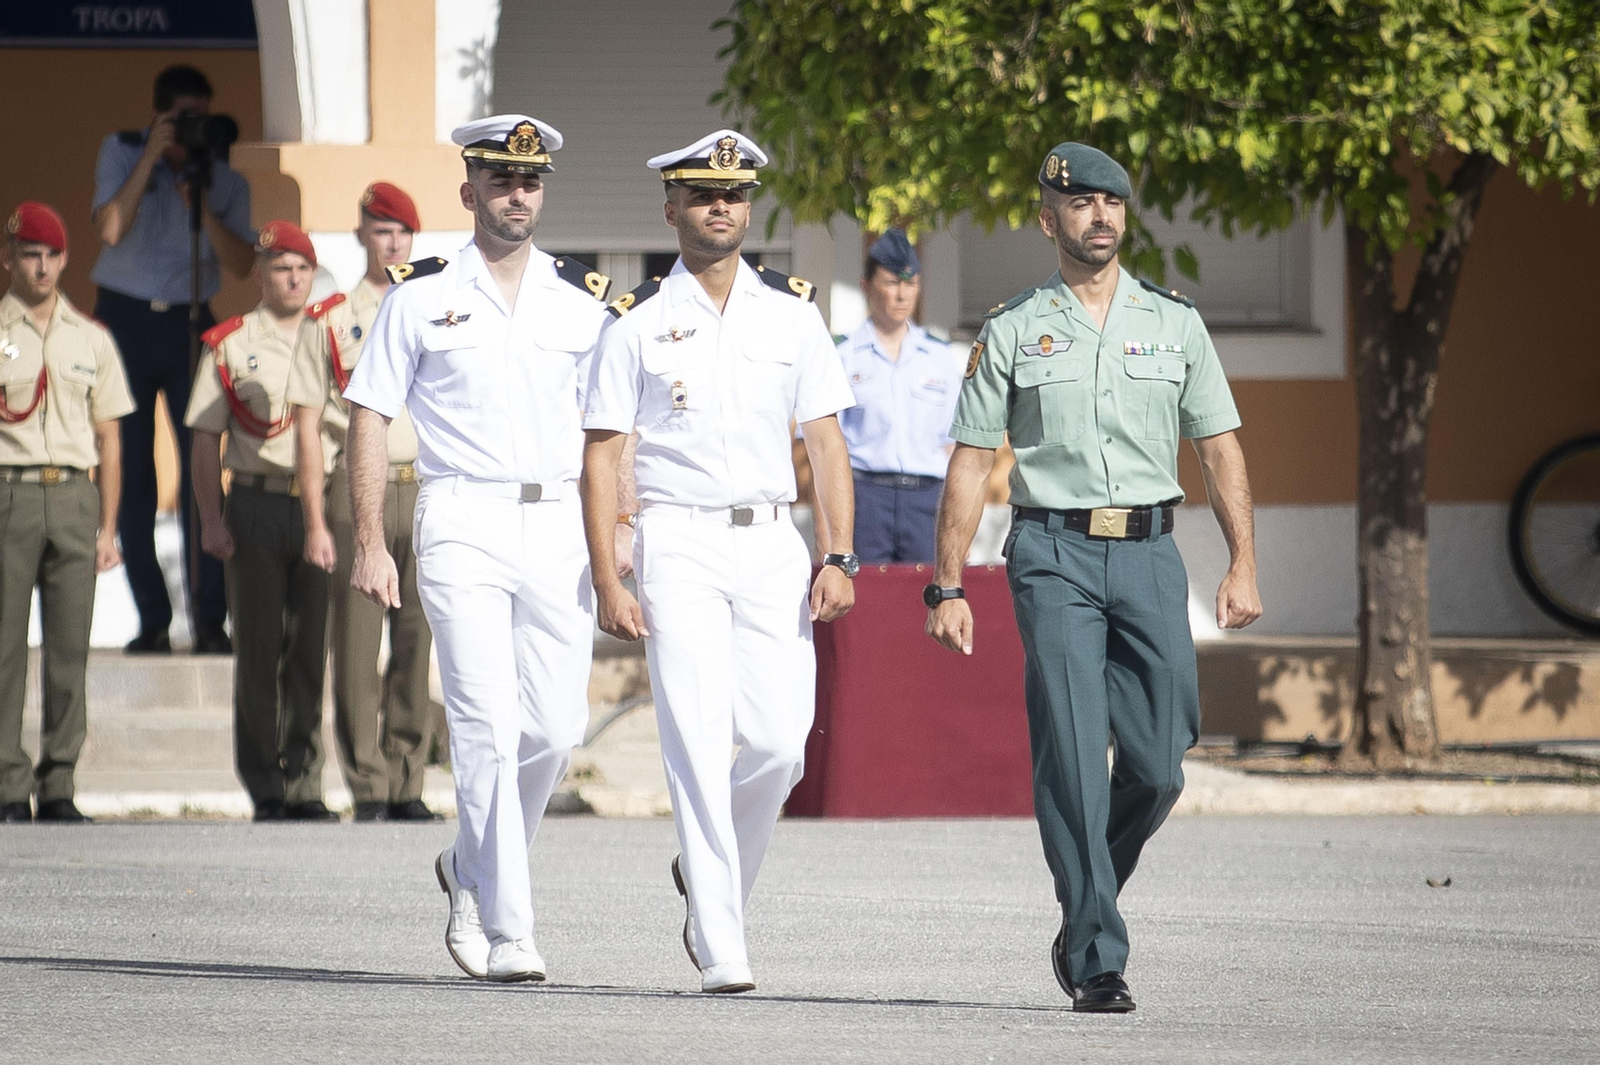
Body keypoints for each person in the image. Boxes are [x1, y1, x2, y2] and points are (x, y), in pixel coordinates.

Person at [925, 143, 1262, 1012]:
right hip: (1052, 555)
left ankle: (1086, 896)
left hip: (1151, 551)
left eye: (1113, 202)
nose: (1101, 216)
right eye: (1081, 205)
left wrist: (1242, 561)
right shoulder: (1010, 327)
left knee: (1158, 762)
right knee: (1075, 755)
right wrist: (949, 581)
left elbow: (1218, 447)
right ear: (1049, 220)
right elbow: (971, 461)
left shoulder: (1175, 323)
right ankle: (1096, 950)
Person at [580, 130, 858, 994]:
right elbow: (600, 455)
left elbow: (826, 440)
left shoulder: (792, 312)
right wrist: (606, 573)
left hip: (773, 541)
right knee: (697, 740)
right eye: (703, 195)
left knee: (779, 745)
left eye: (734, 195)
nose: (721, 208)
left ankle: (709, 876)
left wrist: (838, 551)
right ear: (671, 209)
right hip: (680, 541)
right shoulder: (632, 322)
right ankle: (722, 936)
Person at [342, 115, 612, 982]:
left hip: (558, 522)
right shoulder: (417, 295)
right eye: (500, 180)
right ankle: (510, 928)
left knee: (555, 725)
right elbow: (369, 414)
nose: (517, 193)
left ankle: (470, 862)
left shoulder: (582, 302)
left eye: (530, 180)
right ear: (470, 192)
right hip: (459, 517)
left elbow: (612, 429)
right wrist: (367, 540)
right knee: (487, 727)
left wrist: (624, 526)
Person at [289, 182, 440, 824]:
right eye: (382, 231)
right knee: (356, 644)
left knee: (417, 640)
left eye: (403, 232)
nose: (394, 243)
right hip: (361, 491)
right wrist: (317, 519)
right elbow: (305, 424)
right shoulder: (330, 319)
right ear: (361, 235)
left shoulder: (440, 309)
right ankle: (369, 783)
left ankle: (408, 778)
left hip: (429, 489)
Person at [91, 64, 253, 656]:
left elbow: (239, 266)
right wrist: (151, 159)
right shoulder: (121, 150)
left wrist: (202, 203)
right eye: (182, 118)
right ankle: (153, 620)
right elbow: (109, 229)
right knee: (134, 471)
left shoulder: (226, 180)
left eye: (200, 117)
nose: (193, 129)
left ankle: (211, 618)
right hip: (127, 318)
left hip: (192, 319)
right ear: (158, 115)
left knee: (204, 468)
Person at [184, 220, 337, 823]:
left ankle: (305, 780)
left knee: (310, 647)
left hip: (318, 506)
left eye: (302, 267)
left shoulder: (335, 334)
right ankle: (264, 782)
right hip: (255, 502)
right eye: (280, 268)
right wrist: (210, 519)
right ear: (262, 274)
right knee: (258, 646)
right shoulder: (231, 342)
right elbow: (203, 439)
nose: (293, 278)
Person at [0, 203, 135, 824]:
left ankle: (58, 781)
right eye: (31, 253)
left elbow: (109, 438)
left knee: (69, 647)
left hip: (74, 498)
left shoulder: (92, 337)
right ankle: (6, 781)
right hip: (11, 494)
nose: (43, 265)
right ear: (10, 259)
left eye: (53, 254)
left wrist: (108, 527)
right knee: (5, 646)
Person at [836, 228, 962, 562]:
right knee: (866, 602)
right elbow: (821, 444)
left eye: (911, 284)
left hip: (926, 499)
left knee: (925, 602)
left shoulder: (938, 356)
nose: (902, 295)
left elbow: (953, 442)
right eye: (892, 283)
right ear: (866, 286)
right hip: (864, 498)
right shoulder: (843, 355)